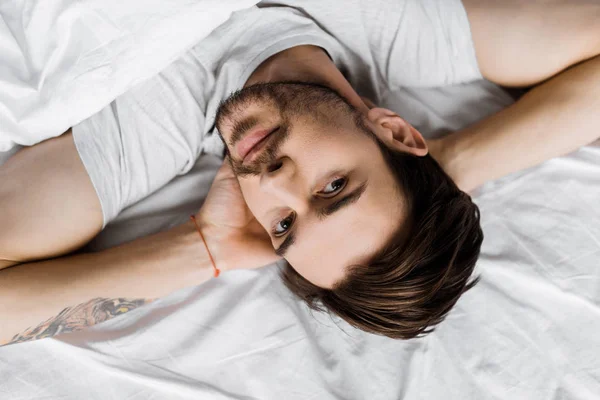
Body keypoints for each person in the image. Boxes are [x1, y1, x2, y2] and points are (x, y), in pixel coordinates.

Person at [1, 0, 600, 346]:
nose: (273, 179)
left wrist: (206, 248)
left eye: (284, 224)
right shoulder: (398, 29)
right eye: (334, 187)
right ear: (395, 133)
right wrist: (453, 165)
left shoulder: (142, 135)